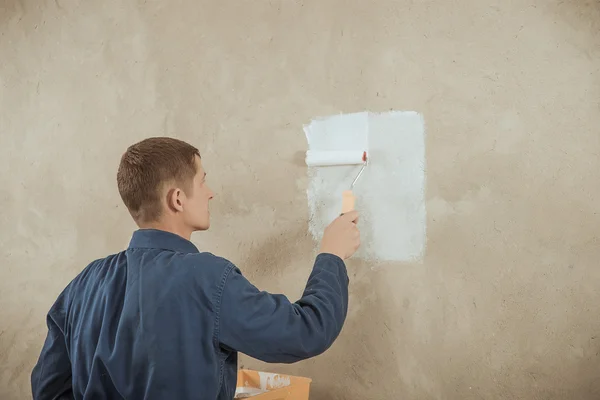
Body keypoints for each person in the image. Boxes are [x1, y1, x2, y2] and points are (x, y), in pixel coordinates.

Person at [31, 137, 360, 400]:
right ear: (177, 199)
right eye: (202, 181)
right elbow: (305, 332)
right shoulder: (207, 278)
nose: (210, 192)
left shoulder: (83, 284)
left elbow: (48, 389)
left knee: (274, 391)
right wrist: (331, 254)